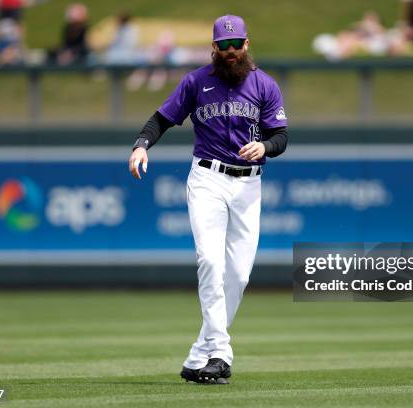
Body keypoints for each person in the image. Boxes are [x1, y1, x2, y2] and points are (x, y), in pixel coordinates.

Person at [128, 15, 288, 384]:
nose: (231, 52)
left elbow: (280, 137)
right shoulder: (196, 82)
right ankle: (220, 352)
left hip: (249, 186)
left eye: (238, 44)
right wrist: (140, 145)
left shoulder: (264, 84)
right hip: (208, 179)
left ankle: (199, 355)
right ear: (213, 48)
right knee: (210, 262)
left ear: (247, 45)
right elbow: (160, 119)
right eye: (224, 45)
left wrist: (264, 145)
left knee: (239, 275)